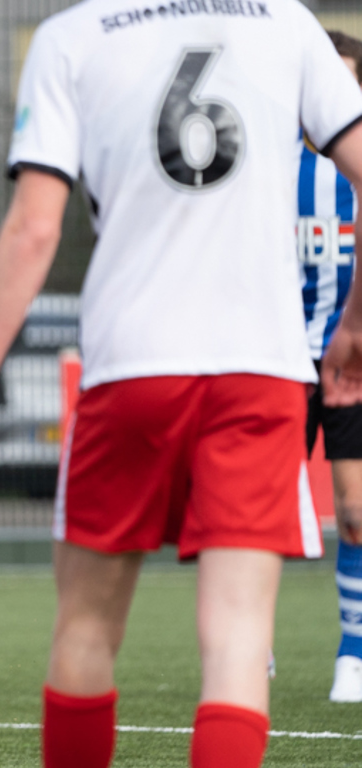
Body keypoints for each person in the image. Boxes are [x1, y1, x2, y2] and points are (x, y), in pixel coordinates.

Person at [0, 4, 362, 767]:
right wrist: (353, 321)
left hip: (131, 365)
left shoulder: (72, 35)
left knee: (86, 628)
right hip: (260, 371)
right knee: (237, 641)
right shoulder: (285, 21)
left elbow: (33, 229)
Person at [300, 30, 362, 705]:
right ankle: (250, 649)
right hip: (279, 362)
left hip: (350, 363)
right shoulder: (269, 171)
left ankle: (353, 651)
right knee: (257, 511)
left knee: (353, 509)